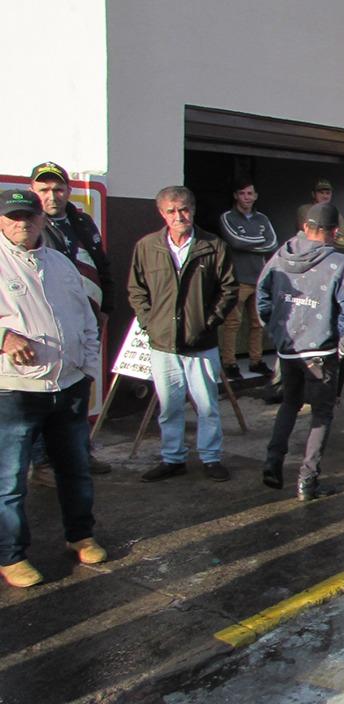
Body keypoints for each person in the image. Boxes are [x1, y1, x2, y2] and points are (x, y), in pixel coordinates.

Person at [0, 190, 105, 588]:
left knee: (75, 470)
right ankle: (11, 556)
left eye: (28, 216)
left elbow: (86, 319)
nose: (22, 224)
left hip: (69, 385)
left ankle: (80, 535)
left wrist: (88, 369)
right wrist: (4, 338)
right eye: (12, 218)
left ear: (42, 219)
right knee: (9, 481)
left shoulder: (61, 263)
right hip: (14, 391)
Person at [127, 186, 238, 482]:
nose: (179, 216)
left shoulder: (214, 246)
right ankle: (172, 457)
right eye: (172, 211)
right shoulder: (147, 247)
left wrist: (208, 322)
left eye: (185, 209)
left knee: (207, 406)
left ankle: (211, 457)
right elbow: (137, 290)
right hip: (162, 344)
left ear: (193, 209)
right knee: (169, 406)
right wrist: (150, 323)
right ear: (162, 213)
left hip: (200, 343)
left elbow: (229, 290)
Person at [257, 203, 344, 500]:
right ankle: (308, 480)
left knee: (289, 404)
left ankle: (272, 461)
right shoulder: (339, 264)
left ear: (305, 227)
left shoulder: (280, 255)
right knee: (322, 413)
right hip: (321, 351)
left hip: (288, 349)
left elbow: (262, 294)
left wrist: (276, 329)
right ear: (334, 232)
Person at [28, 161, 115, 479]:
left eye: (59, 188)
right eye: (45, 189)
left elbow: (102, 265)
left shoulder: (82, 222)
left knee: (79, 392)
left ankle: (80, 453)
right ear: (33, 191)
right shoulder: (30, 227)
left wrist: (108, 307)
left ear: (68, 190)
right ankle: (43, 463)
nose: (53, 195)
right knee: (44, 396)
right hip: (47, 327)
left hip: (86, 322)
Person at [218, 180, 278, 380]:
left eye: (250, 193)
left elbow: (272, 244)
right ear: (236, 196)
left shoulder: (263, 219)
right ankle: (229, 363)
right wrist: (256, 242)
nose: (246, 197)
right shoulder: (227, 217)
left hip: (260, 278)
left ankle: (256, 360)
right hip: (237, 279)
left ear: (255, 196)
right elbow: (234, 241)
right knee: (232, 323)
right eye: (242, 193)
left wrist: (247, 245)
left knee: (257, 323)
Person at [295, 178, 344, 250]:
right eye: (321, 193)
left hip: (327, 254)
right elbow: (305, 236)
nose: (325, 196)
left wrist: (321, 234)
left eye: (328, 193)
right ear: (313, 194)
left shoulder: (334, 212)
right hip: (306, 254)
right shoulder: (304, 209)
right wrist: (330, 236)